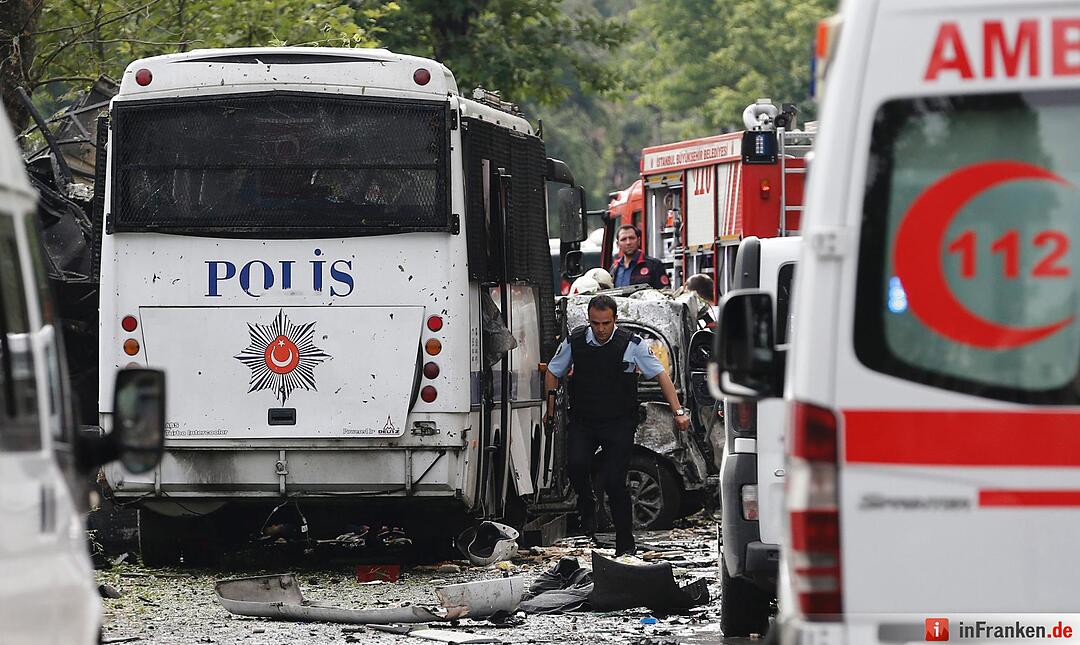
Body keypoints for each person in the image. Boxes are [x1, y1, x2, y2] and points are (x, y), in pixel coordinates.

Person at [544, 295, 691, 556]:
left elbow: (661, 376)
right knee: (577, 466)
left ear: (615, 320)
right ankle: (587, 504)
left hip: (618, 422)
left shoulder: (631, 344)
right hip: (584, 420)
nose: (600, 330)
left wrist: (678, 411)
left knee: (615, 482)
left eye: (605, 323)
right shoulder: (576, 341)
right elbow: (553, 371)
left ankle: (625, 544)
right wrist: (551, 408)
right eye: (595, 323)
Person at [610, 225, 669, 289]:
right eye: (623, 239)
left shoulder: (654, 265)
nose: (628, 242)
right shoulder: (614, 268)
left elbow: (665, 293)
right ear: (618, 244)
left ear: (638, 241)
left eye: (631, 238)